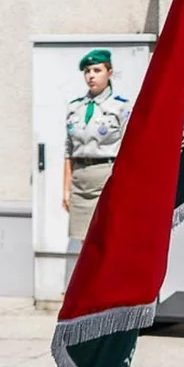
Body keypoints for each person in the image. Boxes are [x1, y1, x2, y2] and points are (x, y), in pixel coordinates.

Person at [62, 49, 130, 241]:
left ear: (109, 73)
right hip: (80, 178)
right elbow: (68, 151)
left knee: (106, 237)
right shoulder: (75, 107)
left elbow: (127, 149)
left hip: (105, 174)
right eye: (87, 71)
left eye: (97, 70)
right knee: (83, 241)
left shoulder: (120, 106)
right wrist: (66, 189)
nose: (91, 75)